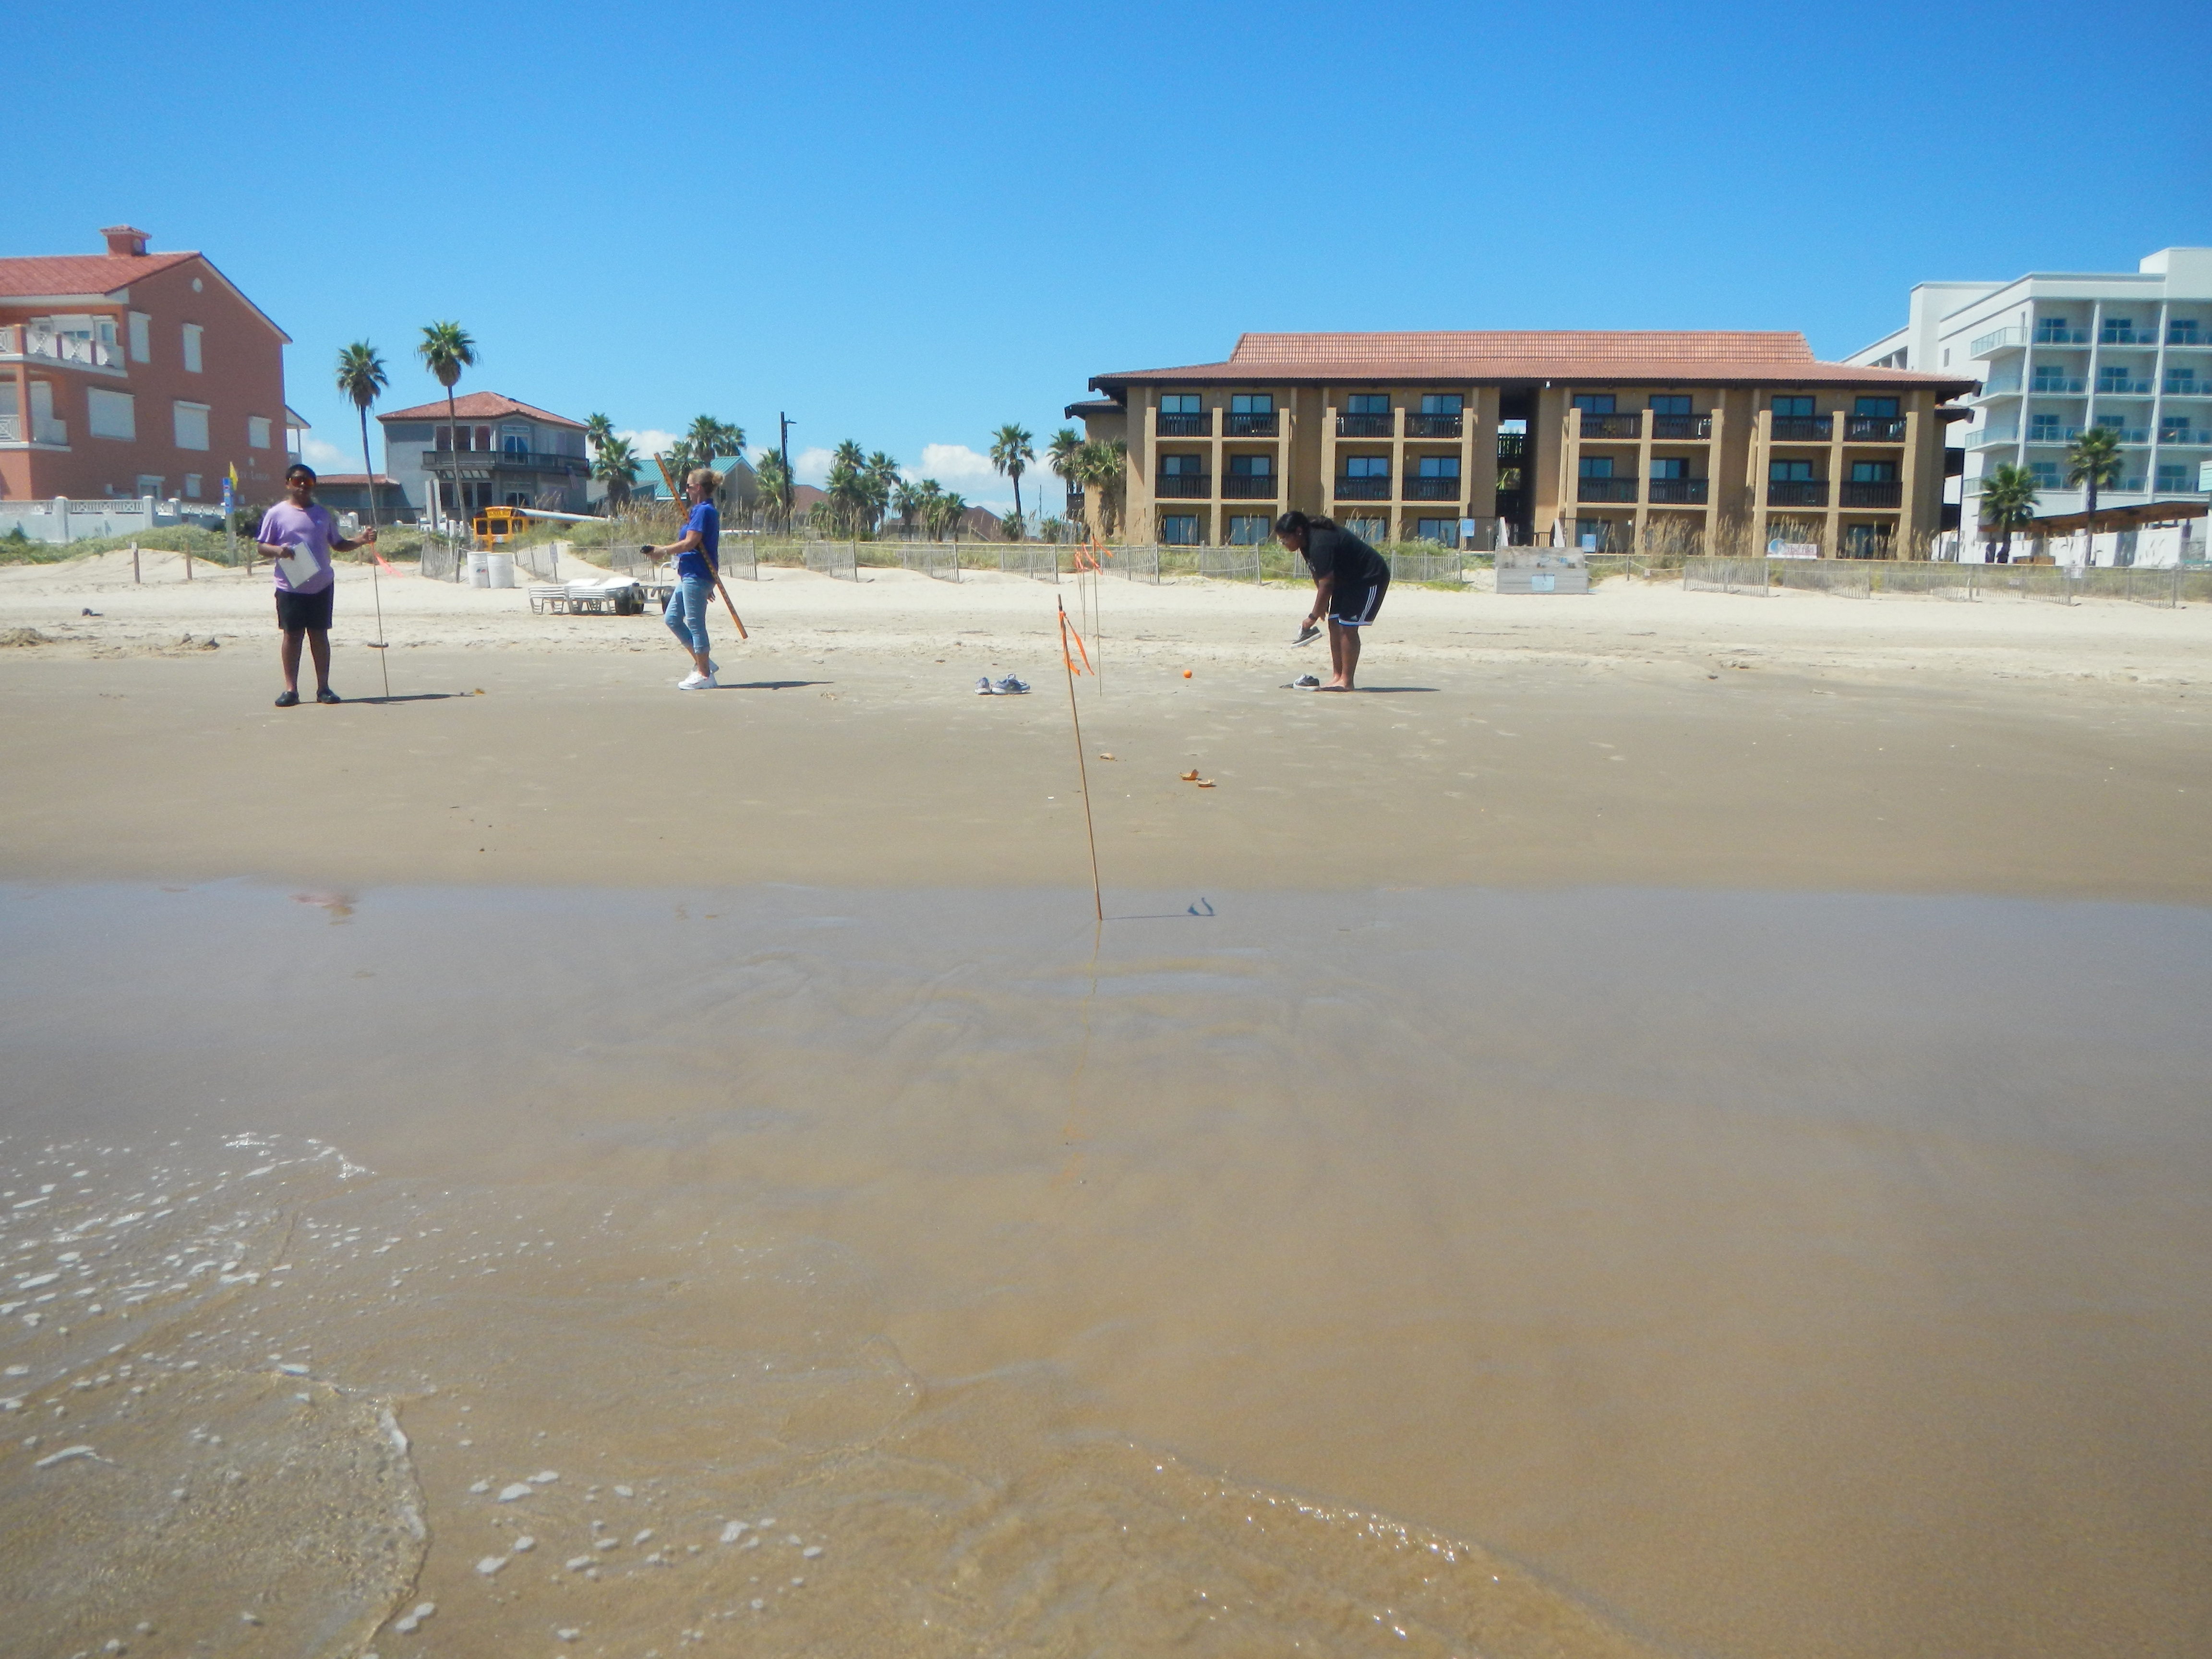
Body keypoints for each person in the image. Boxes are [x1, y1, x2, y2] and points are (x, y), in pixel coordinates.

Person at [257, 462, 377, 707]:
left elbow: (338, 544)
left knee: (319, 635)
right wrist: (279, 551)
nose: (303, 485)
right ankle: (291, 690)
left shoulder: (323, 514)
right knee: (292, 636)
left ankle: (324, 688)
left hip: (321, 585)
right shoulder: (276, 513)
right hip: (290, 586)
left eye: (308, 481)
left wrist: (362, 540)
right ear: (288, 484)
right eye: (297, 481)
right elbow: (262, 546)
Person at [1276, 510, 1388, 691]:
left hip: (1369, 577)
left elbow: (1327, 583)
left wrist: (1312, 617)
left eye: (1284, 539)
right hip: (1346, 580)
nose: (1284, 543)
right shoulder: (1305, 542)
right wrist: (1322, 604)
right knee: (1334, 622)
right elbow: (1318, 573)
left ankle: (1347, 681)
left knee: (1347, 627)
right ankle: (1337, 676)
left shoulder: (1320, 542)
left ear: (1298, 532)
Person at [644, 468, 721, 690]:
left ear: (698, 488)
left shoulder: (704, 511)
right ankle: (703, 662)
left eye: (688, 486)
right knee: (672, 618)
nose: (686, 491)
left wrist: (663, 550)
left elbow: (690, 542)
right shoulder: (698, 511)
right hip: (691, 575)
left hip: (697, 574)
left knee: (696, 624)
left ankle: (705, 675)